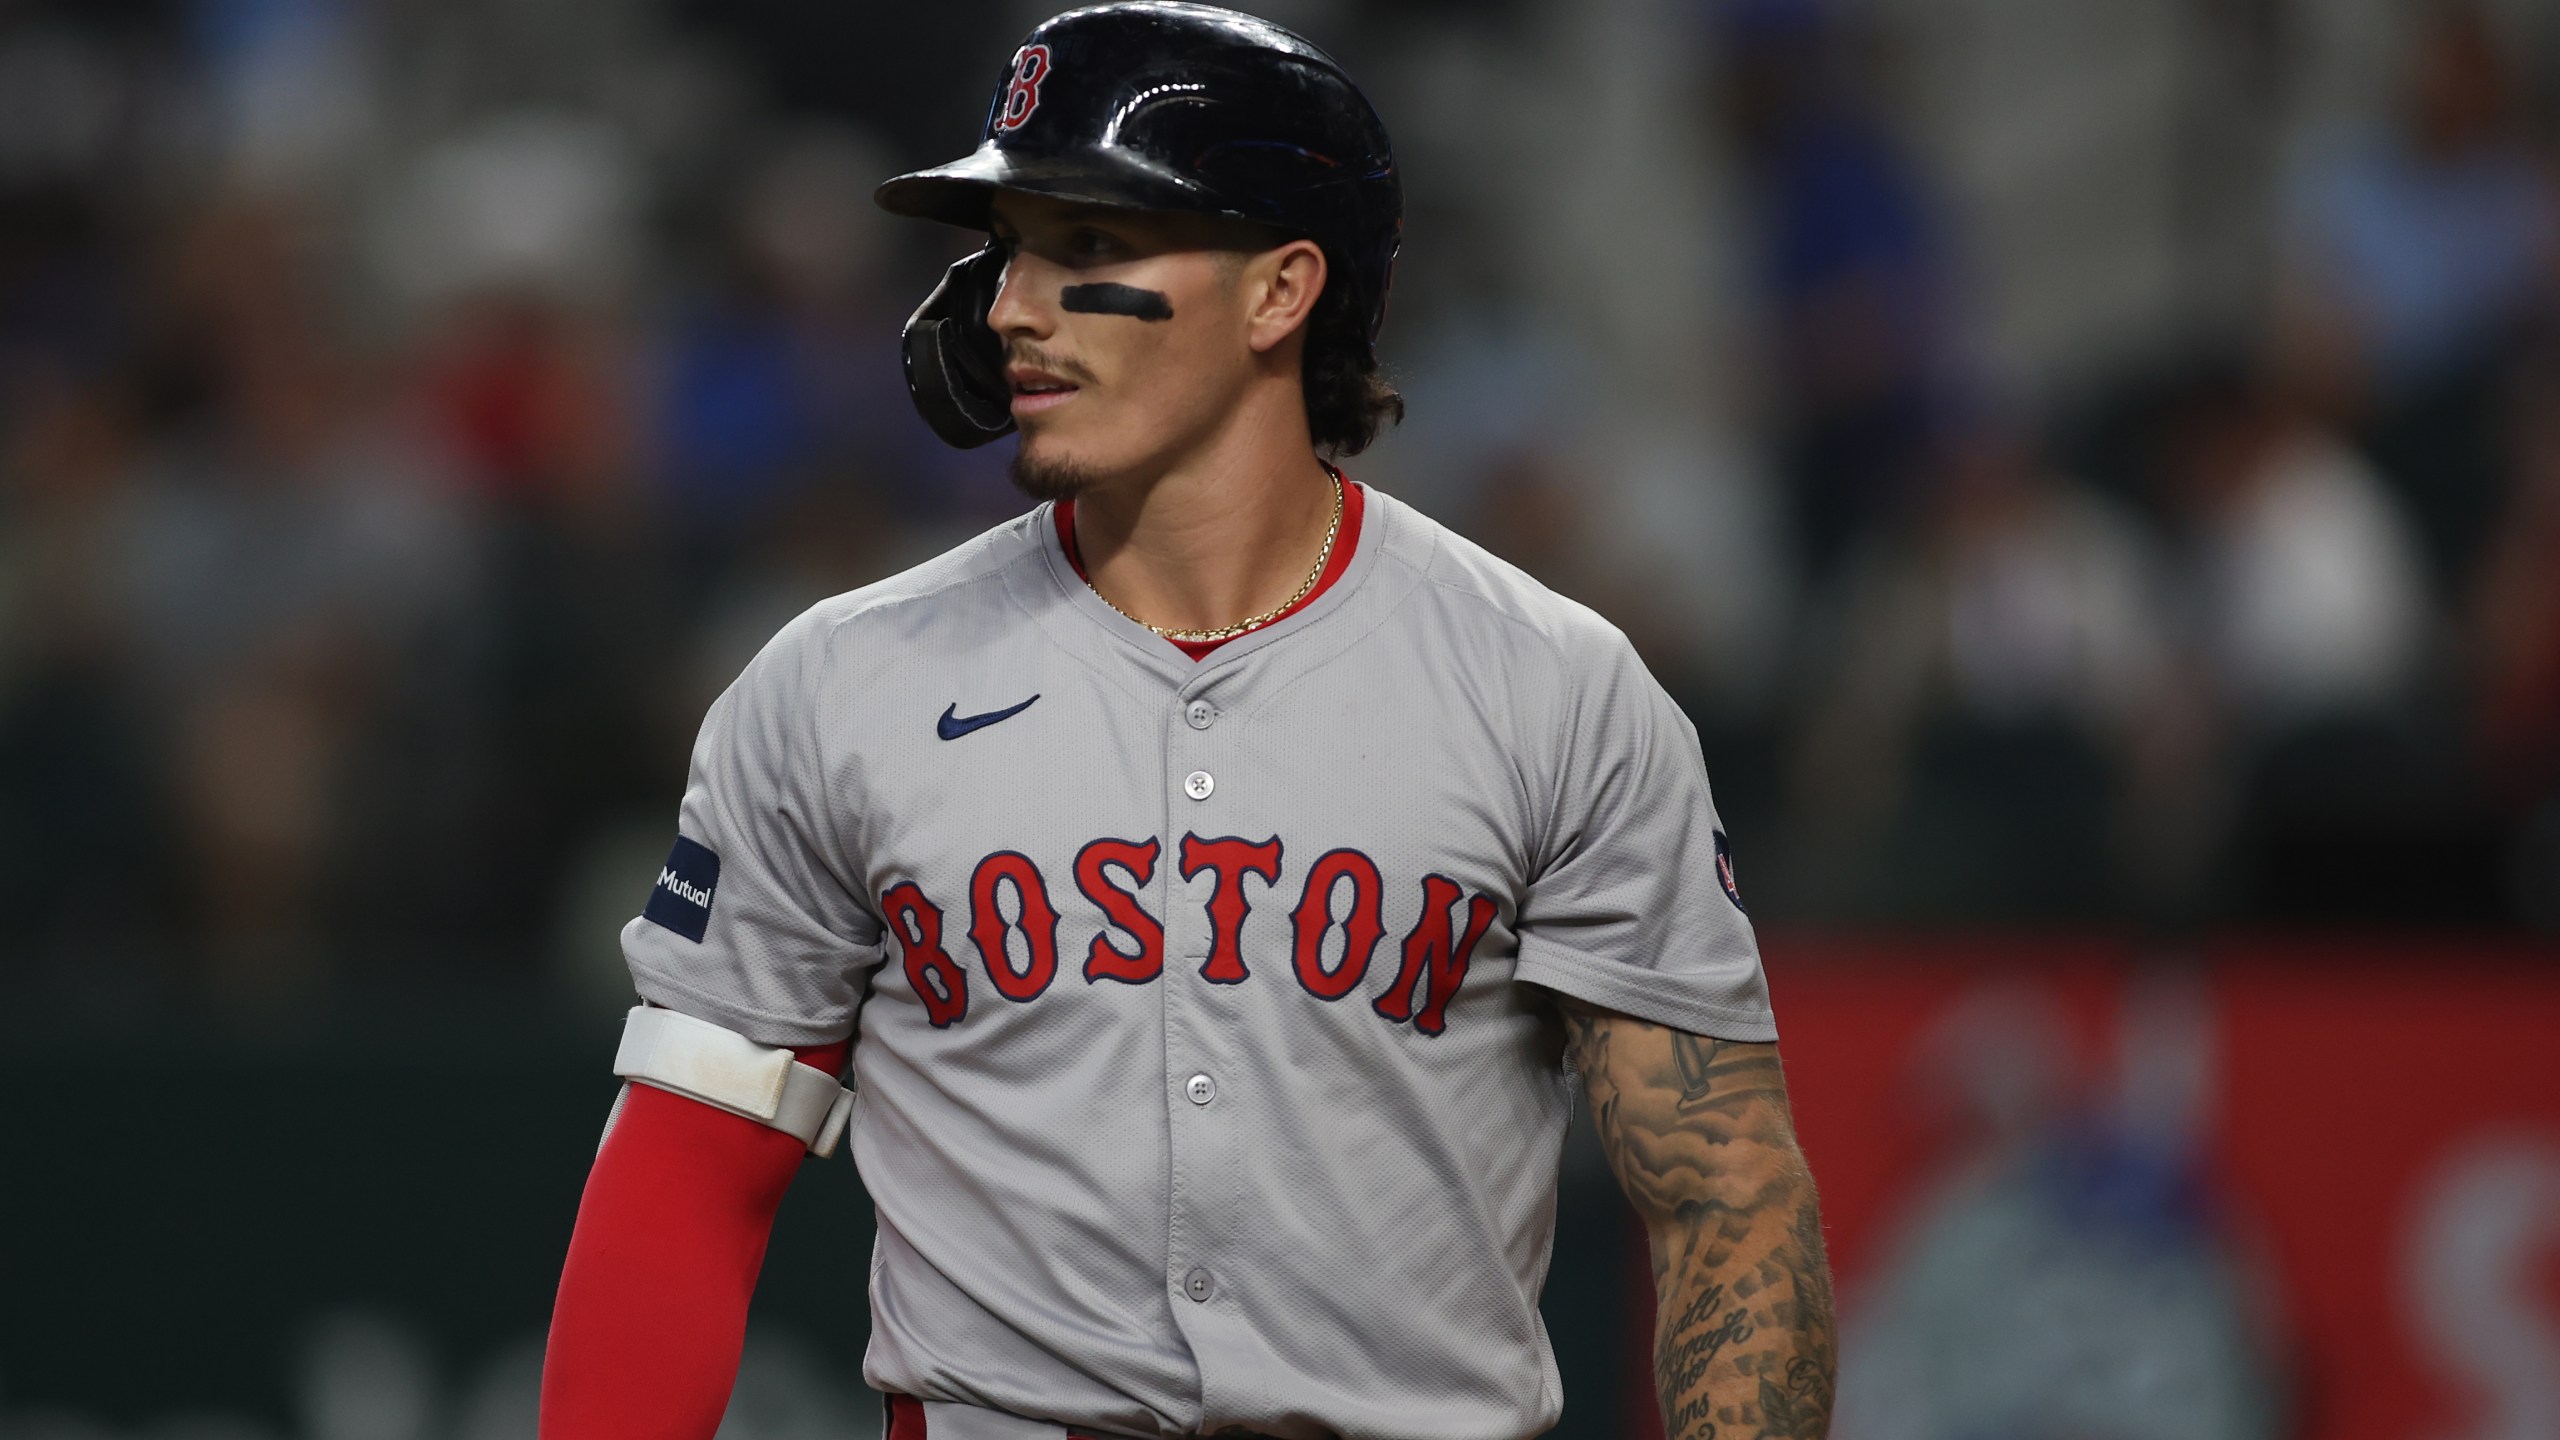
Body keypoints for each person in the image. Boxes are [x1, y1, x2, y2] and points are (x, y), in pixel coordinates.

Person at [538, 7, 1834, 1439]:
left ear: (1282, 291)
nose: (1015, 308)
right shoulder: (837, 687)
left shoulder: (1553, 690)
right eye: (1008, 252)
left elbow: (1725, 1194)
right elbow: (686, 1177)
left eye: (1089, 252)